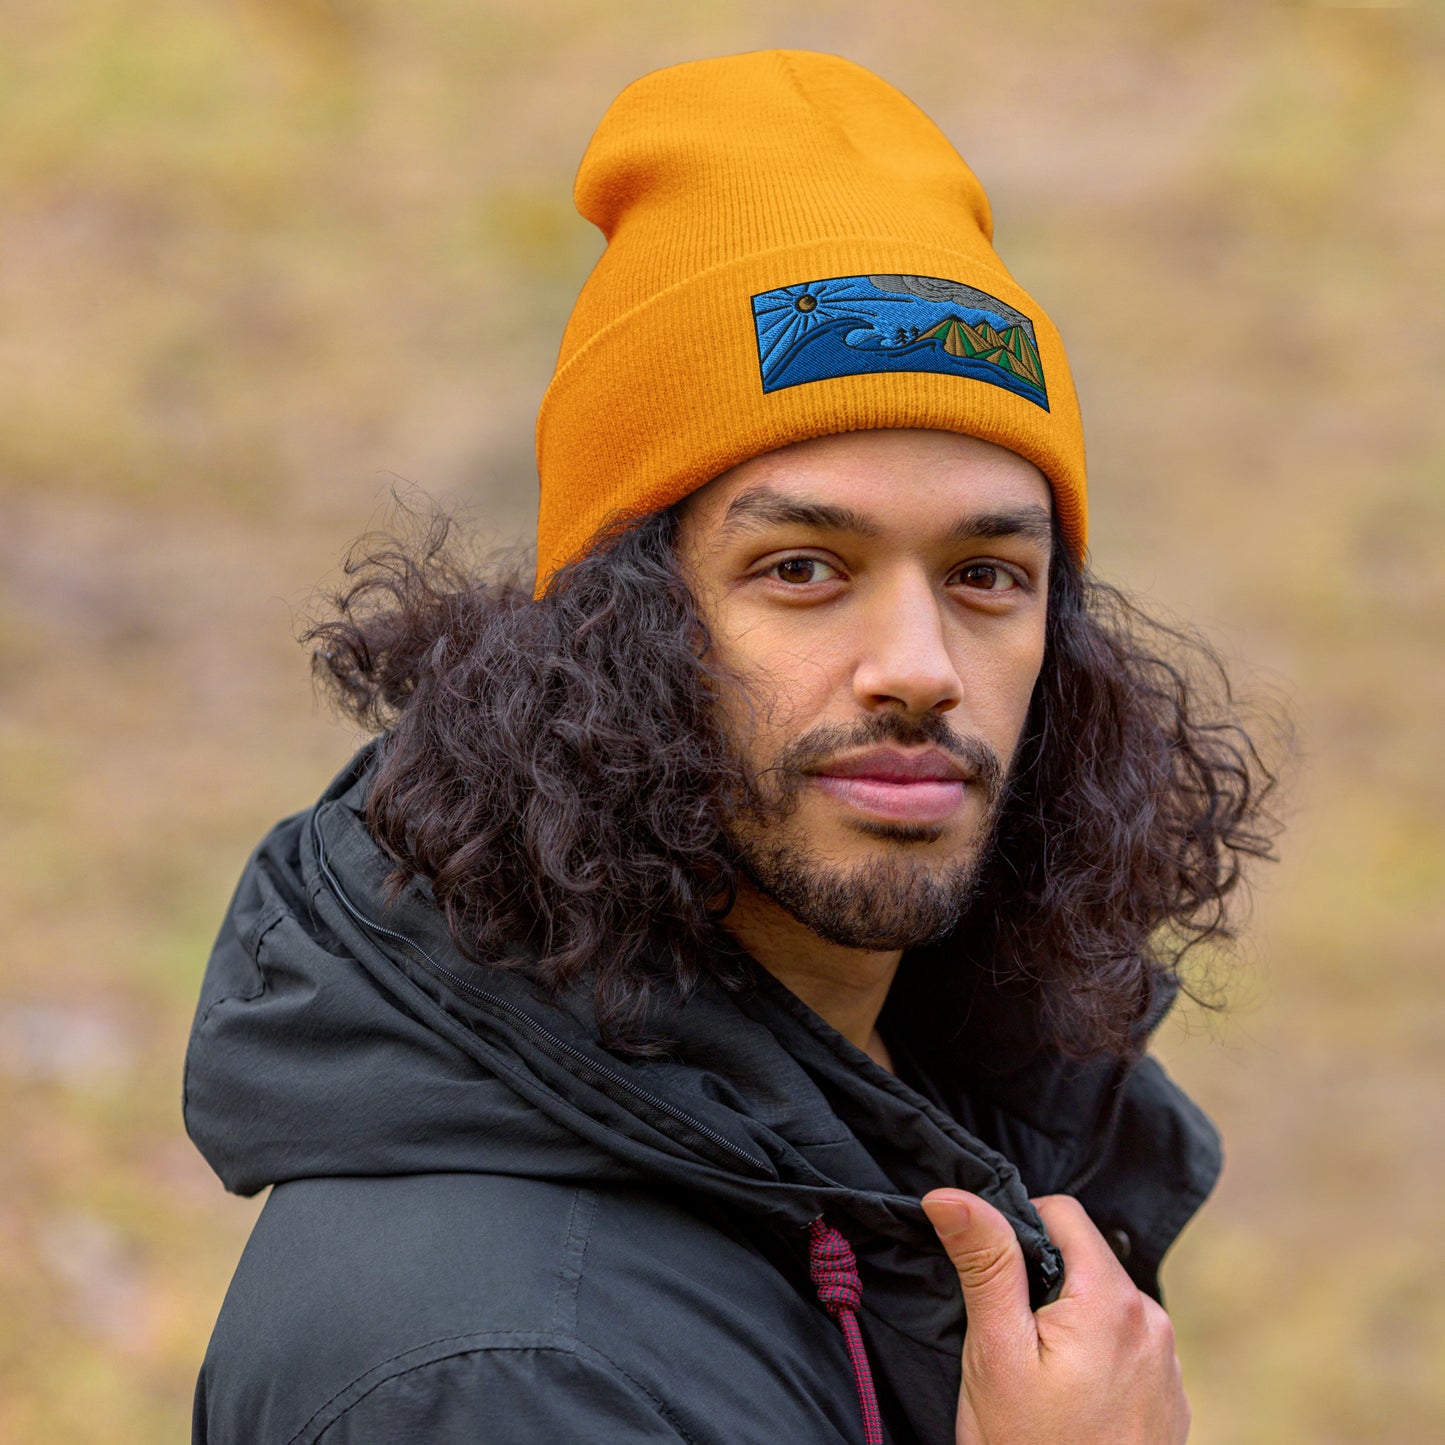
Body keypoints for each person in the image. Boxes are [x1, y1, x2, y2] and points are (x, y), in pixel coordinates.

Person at [185, 50, 1279, 1444]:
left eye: (986, 576)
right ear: (613, 632)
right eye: (804, 568)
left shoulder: (918, 1111)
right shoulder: (501, 1369)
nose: (919, 669)